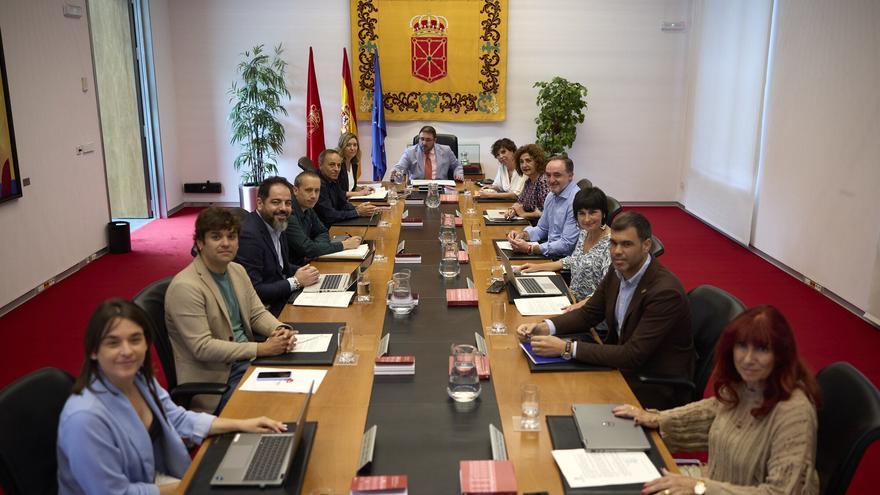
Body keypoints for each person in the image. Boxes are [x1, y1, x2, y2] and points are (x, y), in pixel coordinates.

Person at [57, 299, 288, 495]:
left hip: (153, 479)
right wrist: (194, 485)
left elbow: (176, 418)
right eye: (113, 342)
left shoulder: (138, 379)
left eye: (135, 339)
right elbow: (117, 493)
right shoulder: (84, 419)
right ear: (94, 351)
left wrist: (242, 425)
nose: (127, 351)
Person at [613, 305, 820, 495]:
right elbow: (712, 410)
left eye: (761, 349)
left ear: (781, 354)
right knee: (625, 483)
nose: (748, 359)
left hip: (711, 487)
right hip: (712, 481)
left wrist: (700, 488)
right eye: (741, 346)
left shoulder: (794, 412)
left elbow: (781, 492)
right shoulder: (746, 385)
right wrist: (656, 418)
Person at [516, 211, 693, 409]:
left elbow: (633, 355)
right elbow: (589, 313)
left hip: (650, 384)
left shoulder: (665, 292)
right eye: (613, 243)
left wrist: (566, 348)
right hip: (619, 363)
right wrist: (544, 327)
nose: (616, 251)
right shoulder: (618, 270)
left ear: (646, 246)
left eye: (626, 244)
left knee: (558, 399)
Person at [167, 207, 300, 412]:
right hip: (219, 379)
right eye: (216, 237)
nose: (226, 243)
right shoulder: (185, 287)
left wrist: (279, 329)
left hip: (247, 361)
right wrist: (261, 349)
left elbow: (256, 312)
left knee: (301, 385)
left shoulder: (236, 270)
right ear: (200, 243)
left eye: (231, 236)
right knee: (278, 407)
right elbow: (203, 347)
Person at [236, 177, 320, 315]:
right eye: (276, 202)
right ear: (260, 203)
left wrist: (308, 272)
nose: (283, 208)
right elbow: (255, 291)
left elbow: (280, 267)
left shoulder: (276, 224)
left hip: (280, 296)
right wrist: (296, 282)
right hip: (264, 310)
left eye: (288, 203)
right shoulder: (250, 235)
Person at [519, 186, 612, 307]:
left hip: (591, 312)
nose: (587, 219)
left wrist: (573, 309)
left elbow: (606, 293)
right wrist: (537, 267)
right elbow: (572, 260)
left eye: (593, 212)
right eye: (581, 213)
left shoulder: (611, 245)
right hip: (570, 299)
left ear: (604, 213)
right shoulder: (585, 232)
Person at [506, 156, 580, 258]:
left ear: (570, 176)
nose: (551, 180)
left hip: (563, 260)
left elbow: (567, 245)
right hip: (549, 251)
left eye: (557, 175)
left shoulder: (577, 201)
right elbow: (542, 228)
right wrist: (523, 235)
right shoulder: (551, 195)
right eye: (548, 175)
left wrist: (530, 248)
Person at [285, 170, 362, 265]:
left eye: (317, 191)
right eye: (308, 190)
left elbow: (322, 231)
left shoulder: (308, 206)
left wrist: (317, 248)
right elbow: (308, 248)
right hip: (293, 270)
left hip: (307, 261)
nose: (313, 196)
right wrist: (344, 245)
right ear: (295, 190)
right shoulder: (288, 213)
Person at [314, 149, 377, 226]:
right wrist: (357, 212)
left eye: (339, 165)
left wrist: (357, 208)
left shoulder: (332, 178)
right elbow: (329, 216)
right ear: (320, 165)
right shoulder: (317, 184)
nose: (336, 169)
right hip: (324, 228)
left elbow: (342, 203)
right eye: (332, 165)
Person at [391, 125, 463, 181]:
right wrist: (395, 172)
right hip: (416, 188)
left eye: (428, 140)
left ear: (434, 140)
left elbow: (457, 165)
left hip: (440, 186)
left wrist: (458, 174)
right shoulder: (410, 152)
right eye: (422, 139)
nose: (424, 143)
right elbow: (400, 167)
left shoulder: (446, 150)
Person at [505, 144, 549, 224]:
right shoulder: (528, 181)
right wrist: (513, 210)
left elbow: (545, 213)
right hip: (527, 225)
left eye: (528, 161)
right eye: (521, 162)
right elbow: (519, 202)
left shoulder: (543, 181)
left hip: (539, 229)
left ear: (538, 162)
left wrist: (524, 214)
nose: (524, 165)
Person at [337, 132, 374, 198]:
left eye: (355, 145)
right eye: (348, 145)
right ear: (342, 147)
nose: (352, 148)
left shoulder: (354, 165)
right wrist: (360, 193)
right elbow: (338, 192)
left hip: (349, 201)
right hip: (340, 204)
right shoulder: (338, 166)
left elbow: (351, 188)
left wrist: (362, 188)